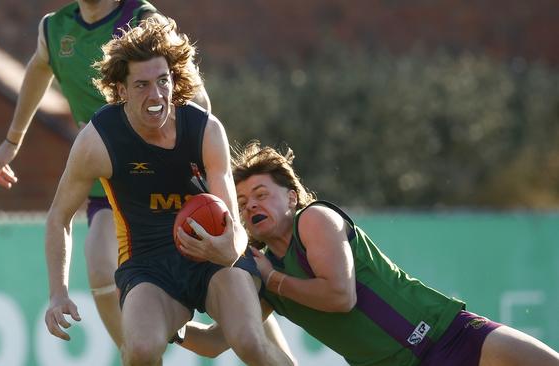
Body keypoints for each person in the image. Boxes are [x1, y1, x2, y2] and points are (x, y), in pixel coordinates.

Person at [43, 18, 293, 365]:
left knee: (249, 341)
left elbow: (232, 223)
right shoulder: (98, 141)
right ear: (121, 90)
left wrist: (228, 249)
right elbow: (59, 218)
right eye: (142, 85)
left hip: (213, 255)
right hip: (147, 263)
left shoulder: (204, 129)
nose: (157, 95)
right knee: (141, 350)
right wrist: (58, 293)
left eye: (163, 81)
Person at [178, 141, 559, 366]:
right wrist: (170, 325)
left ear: (292, 197)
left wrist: (271, 279)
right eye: (242, 202)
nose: (250, 207)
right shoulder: (264, 273)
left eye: (261, 195)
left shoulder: (314, 219)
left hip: (448, 336)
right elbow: (215, 343)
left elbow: (340, 296)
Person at [0, 0, 210, 348]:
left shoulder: (143, 19)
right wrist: (12, 141)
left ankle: (253, 337)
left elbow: (199, 103)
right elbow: (38, 69)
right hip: (112, 172)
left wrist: (163, 140)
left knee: (235, 290)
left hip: (168, 172)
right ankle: (136, 353)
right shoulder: (54, 28)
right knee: (99, 264)